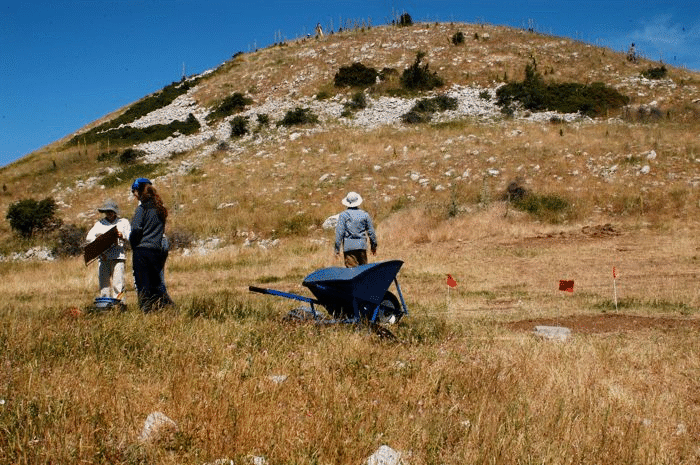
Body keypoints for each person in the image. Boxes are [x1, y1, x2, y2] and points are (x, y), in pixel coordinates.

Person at [129, 178, 171, 312]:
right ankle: (166, 308)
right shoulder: (160, 209)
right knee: (157, 283)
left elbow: (136, 229)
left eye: (133, 191)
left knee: (143, 284)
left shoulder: (142, 209)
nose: (133, 195)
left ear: (139, 192)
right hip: (156, 250)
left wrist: (133, 243)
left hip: (142, 251)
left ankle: (146, 311)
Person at [86, 199, 131, 300]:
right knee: (104, 285)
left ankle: (120, 304)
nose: (109, 213)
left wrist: (121, 235)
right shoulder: (99, 224)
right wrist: (99, 240)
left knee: (118, 283)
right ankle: (105, 304)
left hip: (118, 256)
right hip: (104, 257)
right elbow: (89, 237)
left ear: (115, 212)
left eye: (111, 211)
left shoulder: (123, 222)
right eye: (107, 211)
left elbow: (130, 236)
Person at [334, 191, 377, 267]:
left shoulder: (343, 215)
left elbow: (339, 233)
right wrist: (373, 246)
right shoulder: (365, 215)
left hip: (349, 248)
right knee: (363, 271)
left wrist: (337, 249)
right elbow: (371, 232)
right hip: (362, 246)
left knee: (352, 272)